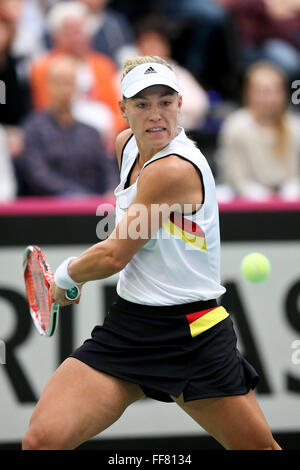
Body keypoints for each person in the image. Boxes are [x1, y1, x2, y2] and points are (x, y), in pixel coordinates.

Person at [22, 55, 281, 450]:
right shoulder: (124, 145)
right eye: (142, 104)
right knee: (41, 441)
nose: (155, 115)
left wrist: (64, 278)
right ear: (122, 110)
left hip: (193, 334)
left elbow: (114, 255)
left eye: (165, 102)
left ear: (180, 104)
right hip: (130, 328)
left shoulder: (173, 170)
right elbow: (133, 239)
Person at [18, 55, 117, 197]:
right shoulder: (33, 129)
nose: (65, 89)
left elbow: (108, 169)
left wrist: (112, 190)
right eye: (59, 82)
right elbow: (37, 174)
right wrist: (77, 195)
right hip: (49, 210)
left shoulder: (91, 132)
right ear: (48, 86)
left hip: (93, 208)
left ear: (76, 87)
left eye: (69, 82)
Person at [30, 1, 126, 137]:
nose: (77, 38)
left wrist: (113, 133)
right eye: (70, 32)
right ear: (55, 36)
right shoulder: (43, 67)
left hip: (106, 137)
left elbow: (118, 110)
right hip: (62, 136)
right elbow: (43, 109)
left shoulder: (103, 65)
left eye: (80, 31)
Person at [216, 61, 300, 200]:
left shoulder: (295, 127)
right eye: (262, 91)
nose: (269, 98)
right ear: (248, 93)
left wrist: (291, 189)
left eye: (275, 91)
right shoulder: (235, 126)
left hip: (289, 201)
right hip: (247, 202)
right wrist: (257, 194)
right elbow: (234, 176)